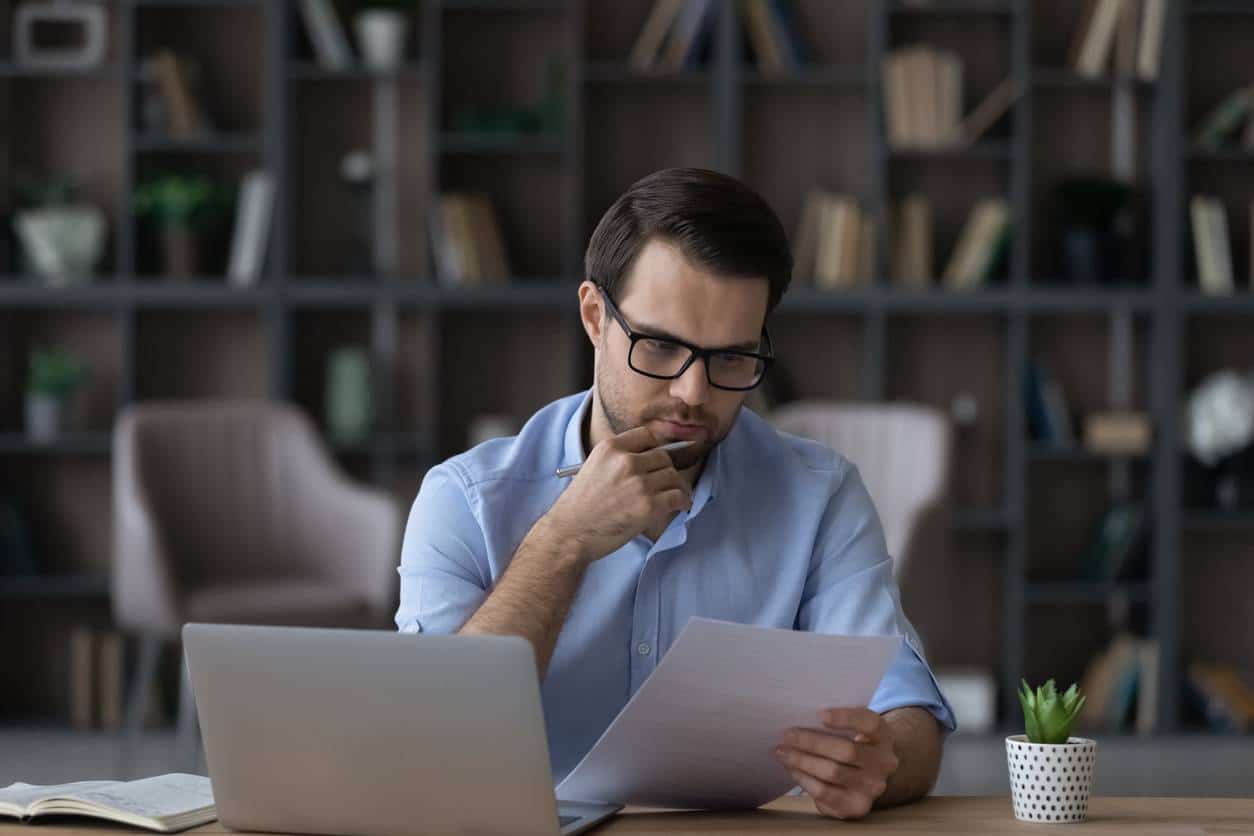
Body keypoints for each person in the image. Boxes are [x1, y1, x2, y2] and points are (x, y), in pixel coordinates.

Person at [396, 167, 956, 820]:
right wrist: (564, 540)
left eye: (731, 359)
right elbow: (429, 744)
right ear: (594, 317)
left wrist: (878, 763)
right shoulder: (464, 499)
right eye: (660, 347)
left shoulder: (820, 496)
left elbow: (907, 714)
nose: (694, 393)